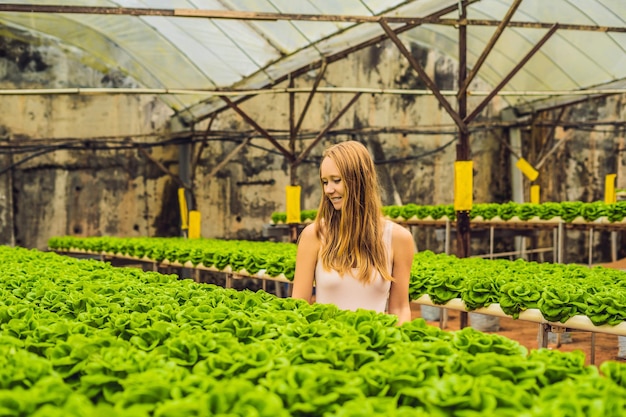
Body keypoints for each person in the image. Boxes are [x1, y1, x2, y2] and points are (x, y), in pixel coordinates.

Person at [291, 140, 415, 325]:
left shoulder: (398, 238)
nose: (328, 190)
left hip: (374, 349)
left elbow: (400, 308)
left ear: (360, 180)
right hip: (326, 346)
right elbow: (298, 306)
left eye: (336, 180)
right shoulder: (314, 235)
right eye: (325, 182)